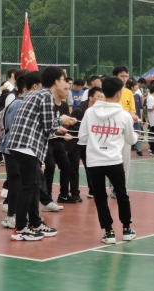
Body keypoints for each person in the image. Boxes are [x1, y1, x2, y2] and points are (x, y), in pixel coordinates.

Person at [7, 67, 77, 241]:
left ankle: (35, 223)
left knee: (35, 184)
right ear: (56, 81)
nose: (65, 83)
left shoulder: (37, 93)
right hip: (26, 145)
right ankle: (20, 228)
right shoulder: (46, 96)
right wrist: (62, 120)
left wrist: (59, 127)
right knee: (29, 186)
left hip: (22, 145)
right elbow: (48, 125)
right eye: (63, 79)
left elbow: (42, 124)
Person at [79, 77, 139, 245]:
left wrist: (96, 140)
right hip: (114, 160)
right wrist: (135, 135)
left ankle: (109, 232)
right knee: (122, 194)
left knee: (100, 197)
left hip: (94, 161)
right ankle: (126, 229)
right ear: (119, 93)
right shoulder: (124, 115)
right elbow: (130, 140)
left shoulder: (89, 112)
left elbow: (82, 137)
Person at [68, 86, 104, 202]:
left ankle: (92, 190)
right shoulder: (79, 111)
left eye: (102, 97)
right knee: (74, 168)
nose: (101, 99)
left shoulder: (99, 110)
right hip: (75, 142)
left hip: (87, 142)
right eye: (98, 97)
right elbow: (74, 128)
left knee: (90, 166)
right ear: (91, 98)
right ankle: (74, 193)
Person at [44, 81, 76, 205]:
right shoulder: (49, 104)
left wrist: (66, 130)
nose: (68, 92)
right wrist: (57, 129)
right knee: (50, 166)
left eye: (69, 89)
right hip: (47, 140)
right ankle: (47, 196)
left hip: (58, 141)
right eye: (65, 89)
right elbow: (48, 124)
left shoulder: (64, 105)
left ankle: (64, 195)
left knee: (66, 165)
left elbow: (64, 123)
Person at [127, 79, 144, 157]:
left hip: (136, 118)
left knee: (138, 133)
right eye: (136, 85)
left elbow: (140, 107)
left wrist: (141, 117)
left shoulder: (137, 96)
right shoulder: (127, 96)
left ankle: (138, 150)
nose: (137, 86)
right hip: (128, 118)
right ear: (132, 87)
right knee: (127, 133)